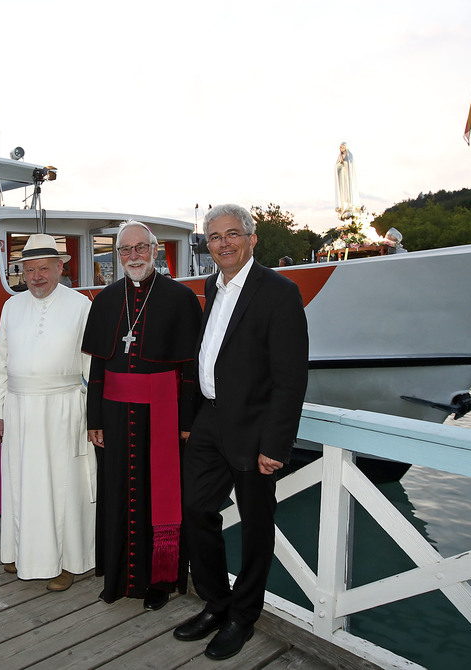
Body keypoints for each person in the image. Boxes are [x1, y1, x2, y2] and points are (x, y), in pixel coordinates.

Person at [173, 203, 308, 660]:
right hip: (209, 421)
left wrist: (276, 443)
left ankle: (243, 617)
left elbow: (291, 377)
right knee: (195, 509)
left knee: (255, 526)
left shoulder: (279, 292)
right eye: (215, 236)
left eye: (233, 234)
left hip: (254, 428)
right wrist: (193, 421)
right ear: (208, 245)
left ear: (252, 239)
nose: (224, 243)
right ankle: (216, 602)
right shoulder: (211, 287)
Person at [82, 221, 202, 611]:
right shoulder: (105, 300)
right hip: (115, 413)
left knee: (158, 496)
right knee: (117, 492)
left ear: (154, 250)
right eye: (125, 249)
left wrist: (187, 421)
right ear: (117, 254)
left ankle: (159, 582)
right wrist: (94, 419)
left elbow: (190, 369)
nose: (133, 255)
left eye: (140, 247)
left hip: (163, 413)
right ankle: (116, 578)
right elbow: (98, 367)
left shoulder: (180, 298)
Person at [0, 233, 95, 591]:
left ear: (60, 268)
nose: (36, 277)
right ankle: (22, 552)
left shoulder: (81, 306)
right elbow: (0, 362)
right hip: (18, 410)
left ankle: (69, 562)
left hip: (64, 410)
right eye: (29, 270)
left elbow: (92, 367)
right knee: (22, 485)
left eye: (44, 269)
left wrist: (93, 417)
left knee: (64, 488)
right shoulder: (12, 307)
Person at [335, 141, 359, 221]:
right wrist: (340, 164)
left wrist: (344, 163)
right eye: (340, 147)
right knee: (343, 192)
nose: (341, 149)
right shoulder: (339, 156)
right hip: (342, 178)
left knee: (349, 191)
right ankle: (344, 206)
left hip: (348, 178)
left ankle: (350, 205)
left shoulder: (349, 155)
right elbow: (336, 166)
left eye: (342, 147)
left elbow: (350, 164)